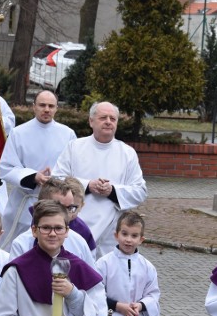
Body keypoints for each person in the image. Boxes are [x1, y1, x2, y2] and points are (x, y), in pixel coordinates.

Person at [53, 101, 147, 257]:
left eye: (113, 118)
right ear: (91, 121)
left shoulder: (127, 153)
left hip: (111, 231)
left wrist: (112, 191)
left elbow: (140, 191)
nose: (108, 122)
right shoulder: (74, 147)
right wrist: (88, 185)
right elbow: (57, 180)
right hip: (77, 223)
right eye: (103, 117)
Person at [0, 90, 76, 249]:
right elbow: (6, 167)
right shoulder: (18, 133)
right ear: (33, 107)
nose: (46, 109)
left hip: (56, 202)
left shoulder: (68, 134)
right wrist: (34, 176)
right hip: (25, 200)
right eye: (42, 105)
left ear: (56, 109)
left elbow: (74, 167)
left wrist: (54, 181)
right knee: (13, 248)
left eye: (51, 106)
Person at [6, 178, 95, 268]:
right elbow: (13, 280)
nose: (67, 215)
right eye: (60, 208)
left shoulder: (79, 242)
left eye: (70, 208)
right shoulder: (21, 245)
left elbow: (93, 279)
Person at [64, 176, 96, 254]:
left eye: (72, 208)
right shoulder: (43, 221)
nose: (67, 213)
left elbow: (90, 255)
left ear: (81, 206)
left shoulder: (83, 230)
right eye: (63, 206)